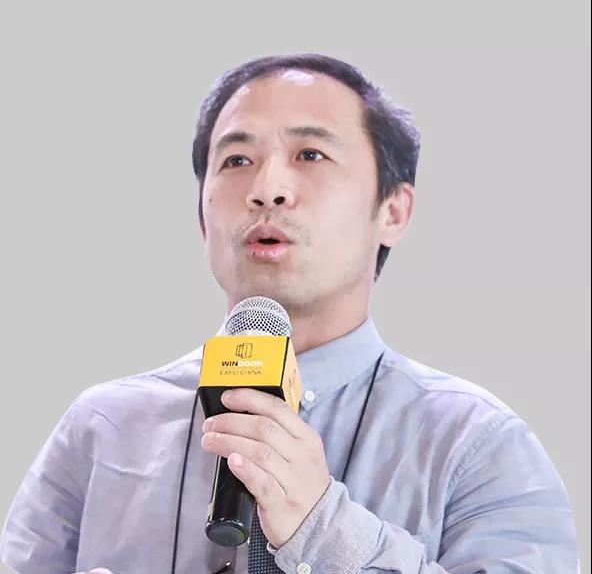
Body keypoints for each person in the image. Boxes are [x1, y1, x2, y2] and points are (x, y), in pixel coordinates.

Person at [0, 54, 579, 574]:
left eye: (310, 154)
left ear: (393, 211)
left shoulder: (477, 443)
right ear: (202, 220)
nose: (267, 188)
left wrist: (323, 529)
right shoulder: (103, 428)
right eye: (237, 160)